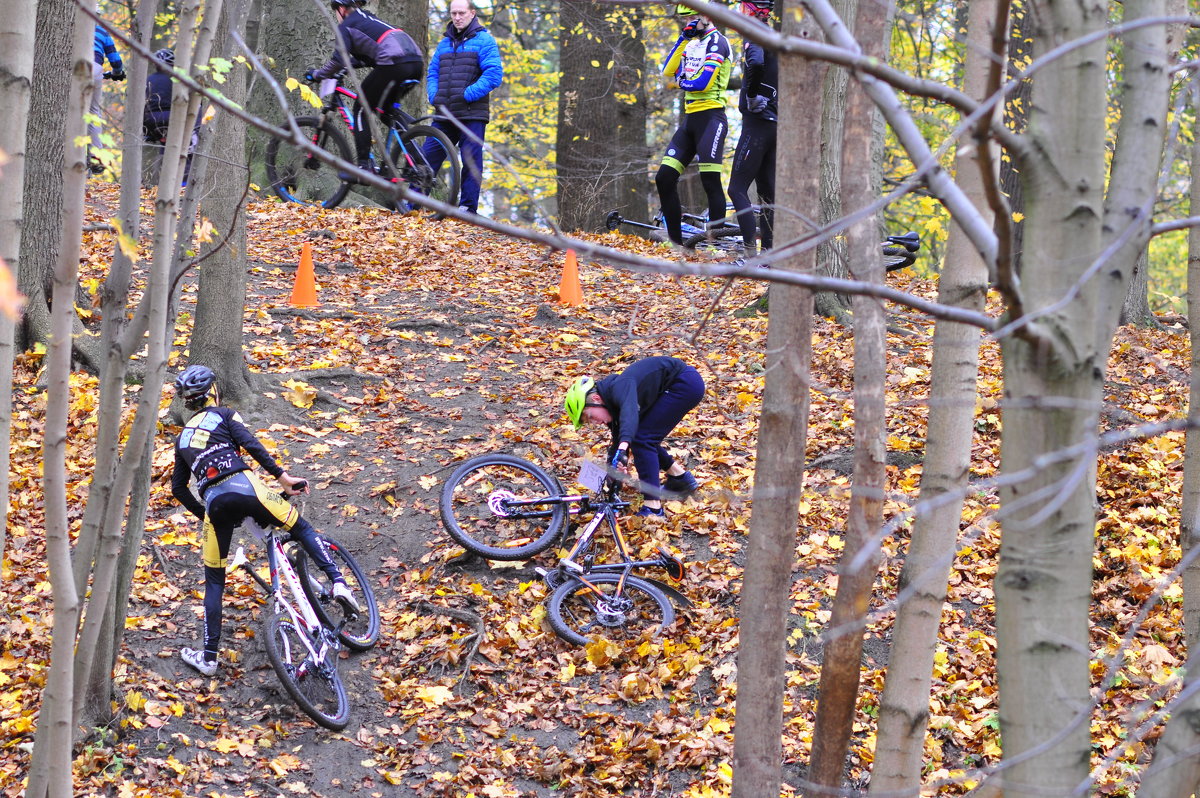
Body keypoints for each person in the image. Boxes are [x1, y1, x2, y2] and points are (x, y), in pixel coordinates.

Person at [170, 365, 359, 677]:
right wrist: (283, 479)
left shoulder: (182, 440)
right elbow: (252, 446)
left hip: (214, 504)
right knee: (301, 528)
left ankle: (209, 657)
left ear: (188, 403)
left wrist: (204, 514)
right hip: (247, 489)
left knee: (215, 581)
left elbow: (178, 488)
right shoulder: (225, 414)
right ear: (212, 392)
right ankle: (338, 583)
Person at [564, 357, 705, 517]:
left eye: (589, 417)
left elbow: (629, 415)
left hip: (684, 383)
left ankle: (653, 508)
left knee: (642, 439)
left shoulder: (619, 387)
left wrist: (623, 449)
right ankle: (680, 479)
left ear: (596, 399)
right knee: (642, 436)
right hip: (675, 385)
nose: (594, 422)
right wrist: (612, 473)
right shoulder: (611, 407)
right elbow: (618, 440)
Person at [306, 0, 424, 181]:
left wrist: (318, 74)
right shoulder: (368, 19)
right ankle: (415, 160)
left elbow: (339, 59)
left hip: (394, 64)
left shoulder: (346, 25)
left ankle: (364, 168)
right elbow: (370, 56)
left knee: (360, 108)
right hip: (415, 63)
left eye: (335, 11)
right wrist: (348, 66)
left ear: (342, 9)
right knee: (386, 112)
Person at [655, 5, 732, 245]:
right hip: (690, 119)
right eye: (684, 18)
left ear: (706, 17)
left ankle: (714, 245)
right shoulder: (691, 43)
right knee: (664, 178)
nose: (687, 23)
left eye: (691, 18)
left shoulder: (719, 42)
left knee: (710, 181)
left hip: (712, 118)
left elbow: (703, 83)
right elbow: (668, 70)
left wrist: (682, 82)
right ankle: (679, 246)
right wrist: (682, 39)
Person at [422, 0, 504, 214]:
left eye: (461, 13)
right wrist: (434, 95)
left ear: (472, 13)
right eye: (454, 13)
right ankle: (411, 204)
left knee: (470, 162)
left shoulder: (484, 40)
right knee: (427, 157)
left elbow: (494, 75)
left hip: (472, 114)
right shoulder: (444, 43)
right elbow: (433, 73)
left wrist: (466, 95)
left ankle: (467, 209)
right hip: (444, 113)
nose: (457, 17)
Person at [727, 0, 778, 261]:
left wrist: (752, 95)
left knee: (736, 189)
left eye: (741, 7)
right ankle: (768, 256)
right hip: (775, 126)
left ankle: (749, 257)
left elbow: (756, 62)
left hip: (757, 125)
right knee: (768, 193)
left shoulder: (754, 34)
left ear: (749, 10)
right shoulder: (775, 37)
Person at [90, 24, 125, 174]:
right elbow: (116, 61)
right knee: (93, 112)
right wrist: (117, 72)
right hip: (95, 68)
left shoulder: (70, 23)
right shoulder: (101, 31)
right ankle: (96, 155)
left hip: (73, 67)